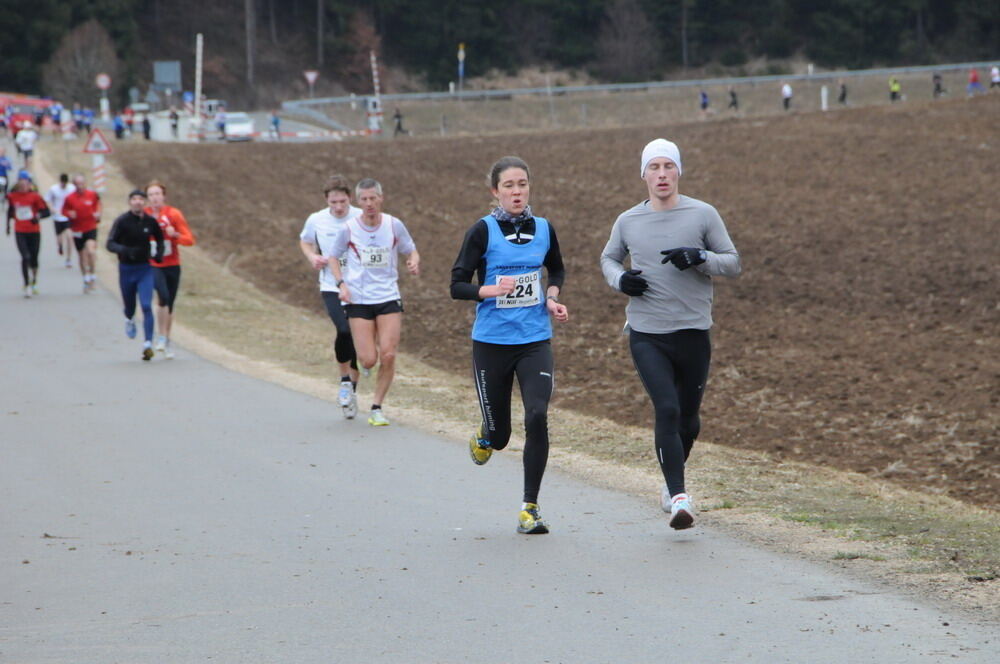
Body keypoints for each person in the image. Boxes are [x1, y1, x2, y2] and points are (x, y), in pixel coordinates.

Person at [600, 138, 741, 530]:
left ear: (679, 171)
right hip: (647, 333)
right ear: (643, 174)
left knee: (689, 420)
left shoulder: (703, 214)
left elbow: (733, 262)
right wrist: (621, 280)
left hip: (694, 332)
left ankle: (669, 479)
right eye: (654, 167)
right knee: (666, 408)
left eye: (668, 167)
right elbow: (609, 258)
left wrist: (700, 259)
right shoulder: (628, 220)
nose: (661, 175)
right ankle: (679, 497)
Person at [450, 156, 569, 535]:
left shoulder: (546, 228)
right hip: (492, 343)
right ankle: (486, 436)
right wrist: (487, 290)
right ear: (495, 192)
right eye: (508, 186)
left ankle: (529, 508)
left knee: (537, 415)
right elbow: (457, 284)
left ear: (529, 187)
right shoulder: (482, 232)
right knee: (500, 436)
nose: (516, 192)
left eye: (522, 184)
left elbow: (557, 268)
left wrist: (551, 296)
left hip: (534, 341)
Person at [328, 178, 419, 427]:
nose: (369, 203)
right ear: (359, 202)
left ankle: (377, 407)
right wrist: (341, 284)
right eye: (364, 199)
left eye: (373, 198)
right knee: (369, 359)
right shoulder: (348, 228)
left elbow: (411, 249)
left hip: (388, 296)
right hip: (358, 299)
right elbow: (333, 257)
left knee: (388, 354)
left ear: (381, 198)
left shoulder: (393, 225)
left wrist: (413, 260)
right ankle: (361, 366)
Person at [299, 175, 362, 418]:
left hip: (359, 287)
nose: (338, 207)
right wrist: (313, 257)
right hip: (331, 286)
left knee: (358, 339)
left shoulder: (359, 217)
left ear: (349, 199)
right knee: (344, 330)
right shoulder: (316, 220)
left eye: (342, 202)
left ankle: (352, 391)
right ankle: (344, 380)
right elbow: (304, 242)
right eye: (333, 202)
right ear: (326, 200)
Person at [106, 189, 164, 361]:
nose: (138, 202)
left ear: (144, 203)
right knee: (130, 307)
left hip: (144, 269)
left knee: (146, 305)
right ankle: (129, 319)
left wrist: (158, 254)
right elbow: (110, 243)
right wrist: (125, 250)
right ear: (130, 202)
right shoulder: (122, 221)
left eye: (140, 199)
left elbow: (160, 239)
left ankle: (147, 343)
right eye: (134, 199)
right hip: (126, 269)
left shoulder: (150, 222)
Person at [145, 180, 196, 359]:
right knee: (163, 297)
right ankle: (160, 336)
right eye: (151, 195)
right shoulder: (144, 215)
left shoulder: (173, 214)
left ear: (163, 196)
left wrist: (175, 235)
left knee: (170, 304)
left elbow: (190, 239)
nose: (155, 198)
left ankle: (166, 339)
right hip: (153, 264)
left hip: (172, 264)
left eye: (157, 194)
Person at [6, 173, 50, 297]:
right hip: (20, 231)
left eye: (26, 185)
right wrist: (8, 226)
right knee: (25, 257)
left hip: (34, 231)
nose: (24, 187)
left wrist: (38, 216)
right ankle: (26, 284)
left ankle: (34, 280)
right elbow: (10, 211)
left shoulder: (35, 197)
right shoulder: (13, 196)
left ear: (30, 185)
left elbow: (46, 211)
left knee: (34, 258)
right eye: (21, 185)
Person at [62, 174, 102, 293]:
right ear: (74, 185)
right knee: (81, 255)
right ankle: (85, 278)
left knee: (91, 251)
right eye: (77, 184)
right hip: (77, 229)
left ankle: (93, 275)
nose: (80, 186)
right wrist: (69, 214)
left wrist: (98, 214)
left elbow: (99, 205)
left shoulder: (92, 194)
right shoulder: (70, 198)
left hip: (90, 227)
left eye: (82, 183)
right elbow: (64, 210)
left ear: (85, 183)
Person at [45, 173, 76, 267]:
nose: (64, 185)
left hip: (68, 217)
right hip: (57, 216)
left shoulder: (72, 188)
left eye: (65, 183)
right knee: (59, 238)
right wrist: (52, 208)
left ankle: (69, 259)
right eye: (63, 183)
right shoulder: (53, 189)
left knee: (69, 237)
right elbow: (47, 199)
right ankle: (60, 246)